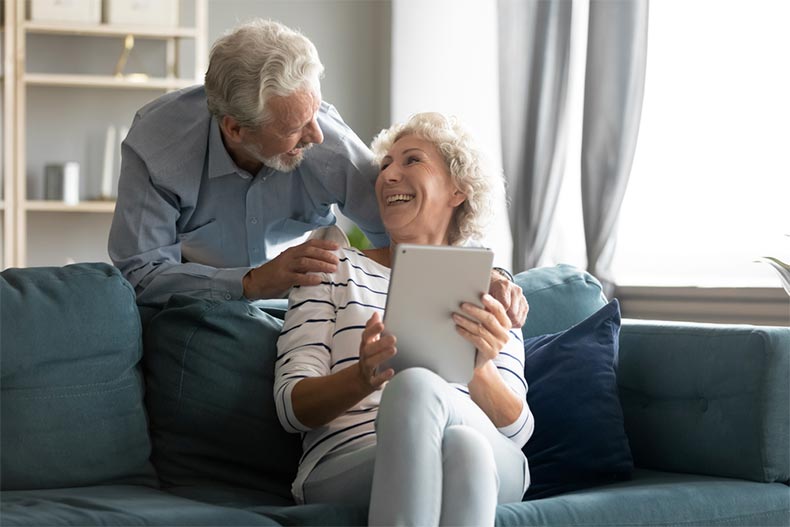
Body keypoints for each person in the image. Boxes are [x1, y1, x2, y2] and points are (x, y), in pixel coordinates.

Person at [108, 18, 527, 328]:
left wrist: (487, 273)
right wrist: (251, 282)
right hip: (198, 316)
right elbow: (141, 276)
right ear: (235, 128)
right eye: (294, 128)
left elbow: (416, 226)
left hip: (307, 314)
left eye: (315, 112)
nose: (317, 134)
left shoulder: (326, 141)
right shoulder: (158, 148)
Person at [275, 113, 533, 526]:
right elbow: (291, 408)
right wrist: (361, 377)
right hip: (348, 459)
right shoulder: (333, 265)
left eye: (412, 161)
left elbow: (517, 431)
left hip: (494, 456)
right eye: (385, 166)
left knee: (460, 435)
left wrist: (479, 369)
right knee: (462, 449)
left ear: (458, 190)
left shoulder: (489, 286)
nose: (389, 175)